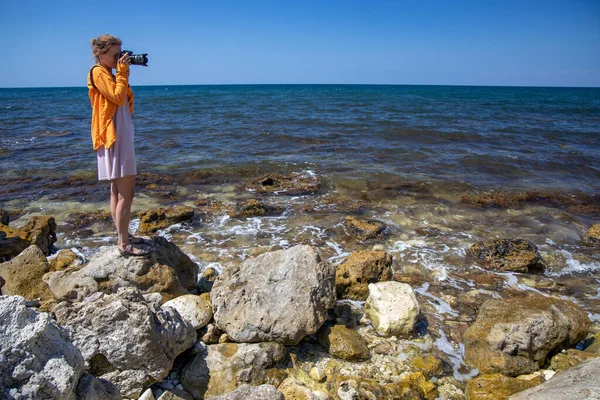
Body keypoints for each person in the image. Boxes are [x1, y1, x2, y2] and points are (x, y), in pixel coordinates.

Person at [88, 34, 152, 257]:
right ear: (100, 53)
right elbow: (117, 97)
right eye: (115, 54)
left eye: (120, 54)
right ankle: (124, 244)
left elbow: (123, 100)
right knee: (127, 193)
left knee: (117, 191)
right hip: (115, 139)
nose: (119, 59)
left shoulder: (109, 73)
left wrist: (121, 72)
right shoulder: (98, 73)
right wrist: (123, 72)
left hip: (118, 136)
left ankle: (123, 235)